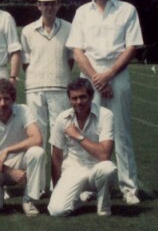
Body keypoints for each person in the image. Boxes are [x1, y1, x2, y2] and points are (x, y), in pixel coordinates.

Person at [67, 0, 144, 206]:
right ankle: (91, 185)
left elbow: (131, 47)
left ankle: (128, 187)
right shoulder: (82, 12)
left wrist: (108, 75)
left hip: (117, 72)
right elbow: (77, 50)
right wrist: (96, 78)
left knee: (120, 131)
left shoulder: (126, 10)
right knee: (90, 132)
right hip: (90, 73)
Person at [0, 79, 46, 216]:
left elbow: (37, 139)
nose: (2, 103)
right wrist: (9, 171)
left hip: (18, 161)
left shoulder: (23, 110)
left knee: (37, 152)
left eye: (6, 99)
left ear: (13, 99)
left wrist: (8, 150)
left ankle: (28, 200)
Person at [48, 79, 118, 217]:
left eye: (82, 97)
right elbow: (56, 158)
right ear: (69, 100)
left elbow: (104, 155)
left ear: (91, 96)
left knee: (108, 168)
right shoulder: (63, 118)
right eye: (74, 98)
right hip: (73, 169)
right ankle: (77, 200)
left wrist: (78, 136)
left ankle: (103, 206)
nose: (78, 102)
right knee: (56, 211)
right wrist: (57, 189)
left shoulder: (105, 115)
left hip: (97, 169)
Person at [20, 0, 74, 150]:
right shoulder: (27, 31)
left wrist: (58, 74)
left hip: (60, 88)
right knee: (37, 137)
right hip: (35, 89)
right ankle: (37, 176)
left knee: (60, 136)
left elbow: (70, 59)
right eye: (45, 4)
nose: (49, 8)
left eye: (52, 4)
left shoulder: (69, 28)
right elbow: (26, 62)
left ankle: (58, 176)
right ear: (39, 6)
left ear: (58, 5)